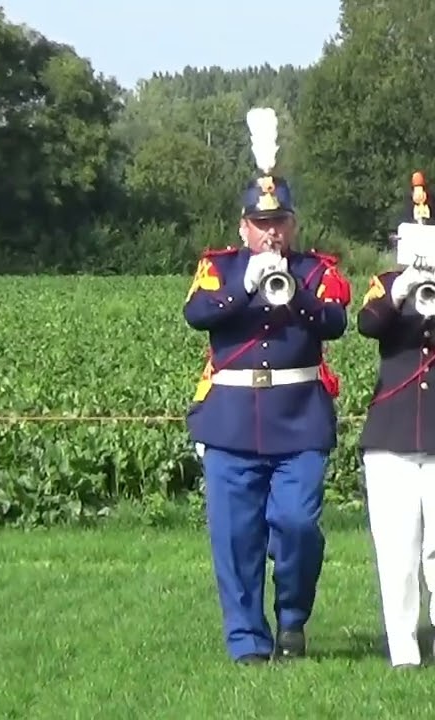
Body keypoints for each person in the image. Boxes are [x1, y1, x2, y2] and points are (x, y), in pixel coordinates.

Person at [183, 107, 351, 664]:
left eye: (279, 222)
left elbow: (334, 321)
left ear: (292, 225)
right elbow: (197, 313)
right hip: (231, 419)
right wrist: (244, 288)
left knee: (298, 524)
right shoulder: (219, 268)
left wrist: (292, 293)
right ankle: (247, 642)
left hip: (298, 418)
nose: (271, 232)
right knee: (235, 538)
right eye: (261, 223)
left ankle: (293, 618)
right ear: (244, 227)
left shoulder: (315, 270)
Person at [356, 171, 435, 669]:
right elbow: (368, 325)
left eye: (433, 237)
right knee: (396, 545)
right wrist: (399, 293)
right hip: (391, 431)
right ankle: (403, 646)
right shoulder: (384, 285)